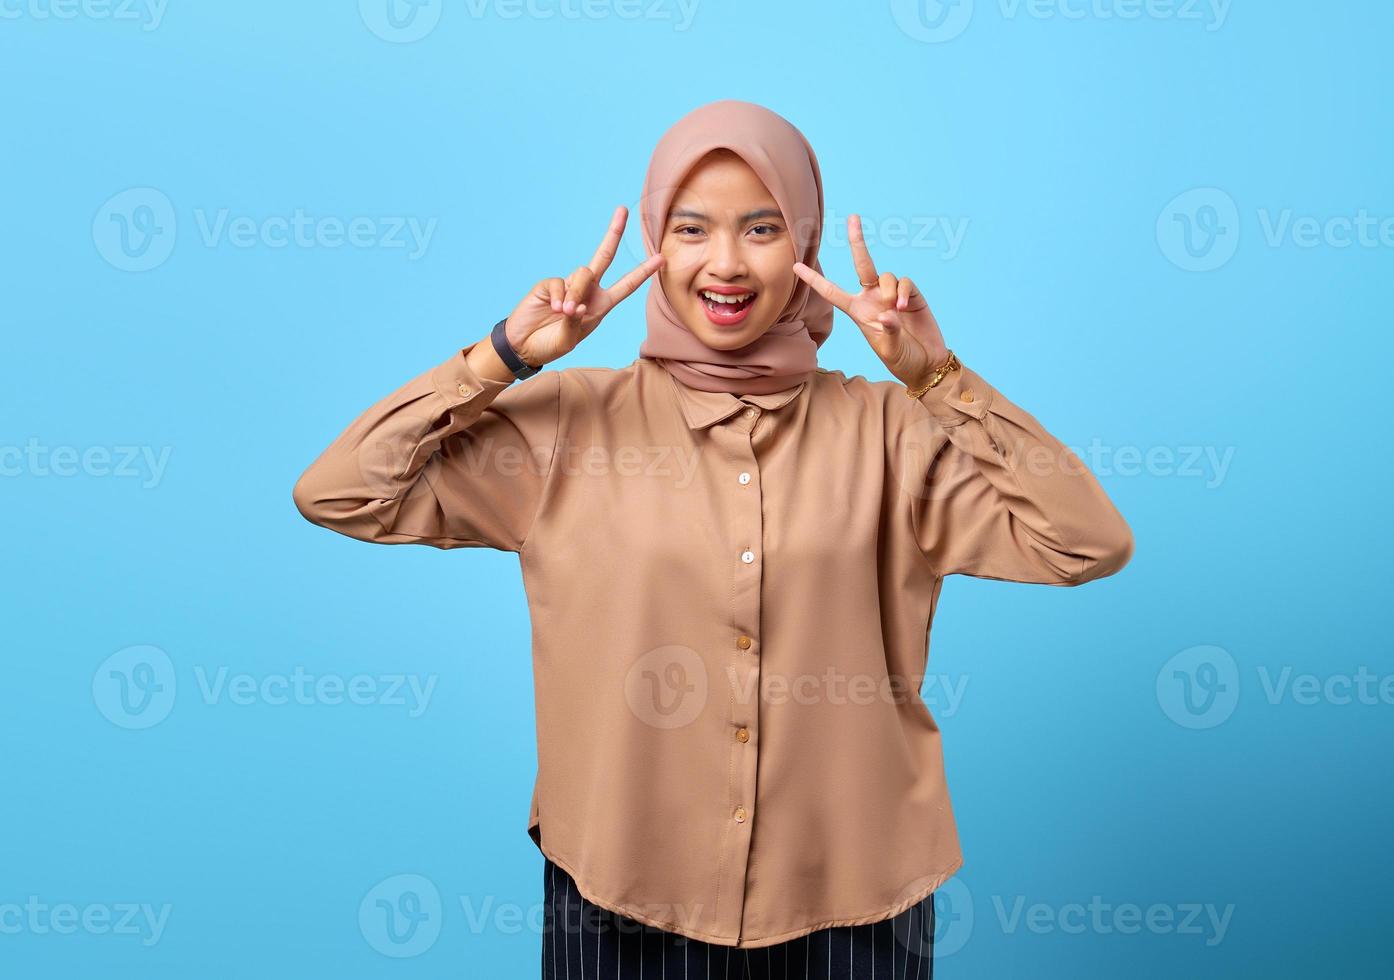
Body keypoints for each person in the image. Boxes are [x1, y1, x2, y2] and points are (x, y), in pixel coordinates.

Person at [293, 99, 1133, 978]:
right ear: (656, 240)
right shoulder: (563, 425)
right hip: (620, 902)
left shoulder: (892, 431)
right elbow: (341, 491)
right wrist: (503, 357)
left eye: (761, 228)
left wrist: (942, 380)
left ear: (803, 248)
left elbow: (1083, 542)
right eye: (691, 229)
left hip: (850, 908)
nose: (724, 264)